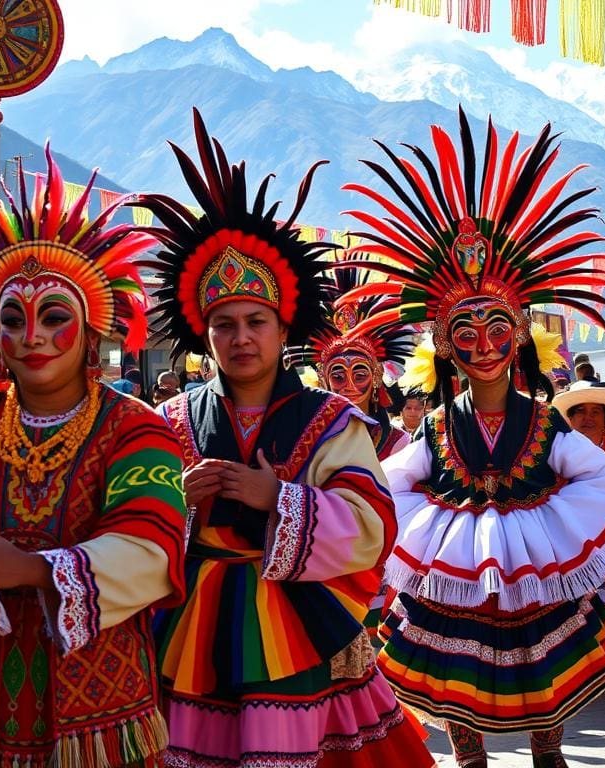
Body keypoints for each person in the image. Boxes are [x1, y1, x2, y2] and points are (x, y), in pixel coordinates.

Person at [341, 108, 605, 768]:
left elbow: (602, 476)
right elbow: (387, 485)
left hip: (536, 570)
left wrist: (586, 527)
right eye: (465, 331)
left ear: (518, 334)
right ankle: (470, 755)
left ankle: (549, 751)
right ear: (442, 344)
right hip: (453, 565)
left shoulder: (546, 424)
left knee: (544, 662)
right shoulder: (431, 428)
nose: (482, 345)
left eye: (495, 328)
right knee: (453, 668)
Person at [140, 109, 434, 768]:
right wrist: (176, 497)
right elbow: (131, 523)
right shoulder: (173, 421)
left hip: (297, 618)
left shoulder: (330, 420)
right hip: (195, 620)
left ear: (282, 328)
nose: (241, 338)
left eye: (255, 321)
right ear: (203, 332)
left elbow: (372, 525)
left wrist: (279, 496)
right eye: (224, 325)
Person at [0, 149, 187, 765]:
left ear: (93, 330)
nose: (32, 337)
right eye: (12, 320)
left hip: (100, 713)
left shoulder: (135, 429)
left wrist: (28, 570)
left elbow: (152, 546)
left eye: (53, 317)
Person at [282, 259, 414, 460]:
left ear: (376, 376)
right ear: (323, 379)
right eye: (338, 376)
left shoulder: (398, 444)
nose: (349, 385)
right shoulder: (303, 441)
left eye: (360, 375)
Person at [553, 379, 605, 461]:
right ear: (570, 418)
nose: (588, 417)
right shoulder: (554, 456)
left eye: (595, 412)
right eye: (580, 410)